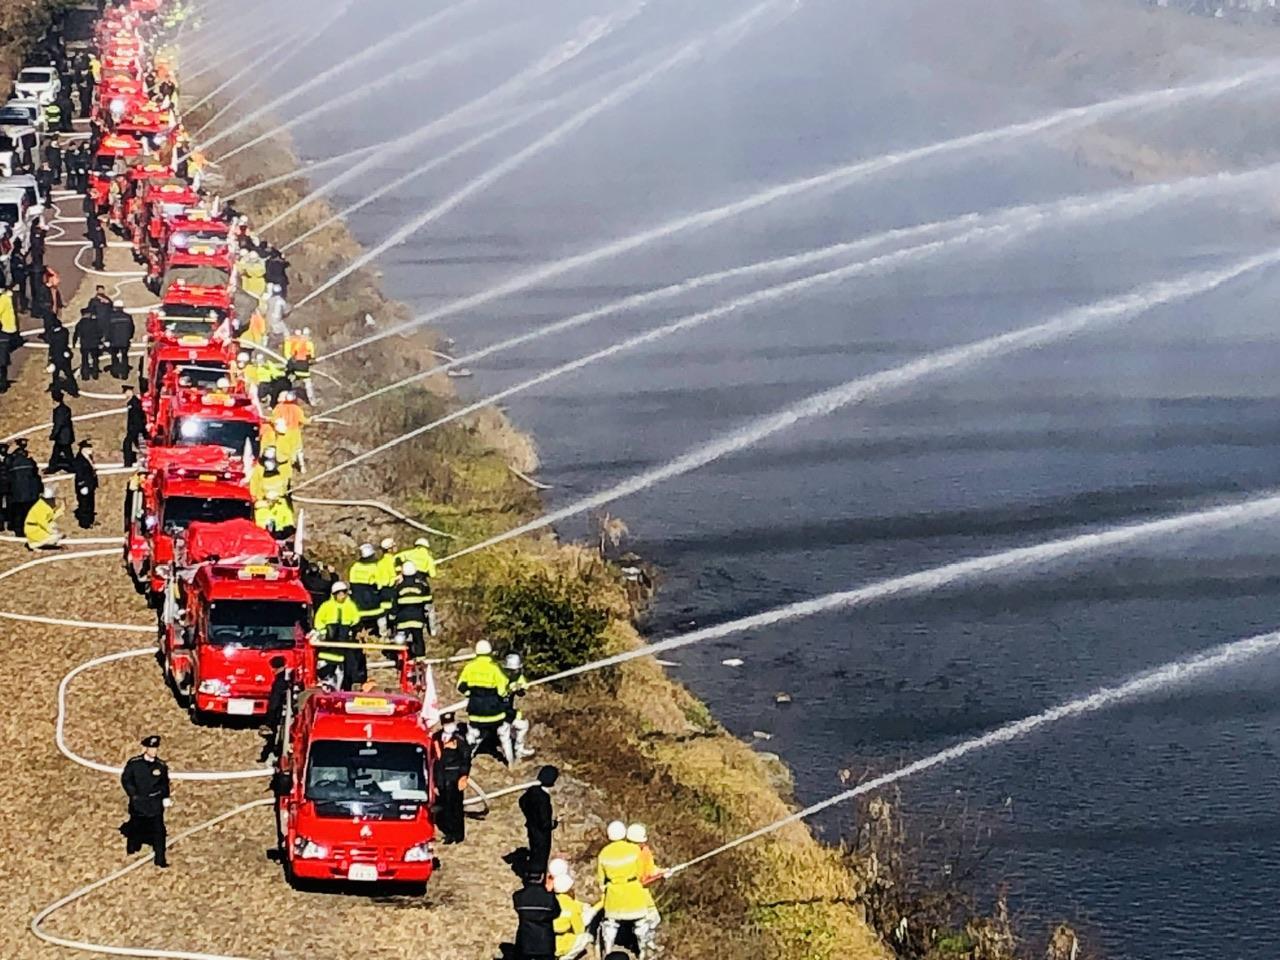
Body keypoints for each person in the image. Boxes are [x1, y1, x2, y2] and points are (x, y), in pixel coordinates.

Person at [597, 821, 662, 954]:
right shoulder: (634, 850)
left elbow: (601, 880)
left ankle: (608, 951)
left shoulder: (603, 853)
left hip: (613, 894)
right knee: (641, 924)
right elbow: (641, 874)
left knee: (610, 924)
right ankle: (643, 952)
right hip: (633, 891)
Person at [457, 640, 513, 761]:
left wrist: (471, 695)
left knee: (472, 735)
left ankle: (466, 759)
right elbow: (502, 691)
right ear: (490, 653)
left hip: (475, 712)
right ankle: (511, 762)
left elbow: (460, 686)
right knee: (504, 734)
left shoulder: (469, 667)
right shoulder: (494, 668)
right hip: (495, 712)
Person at [120, 734, 170, 867]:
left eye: (156, 749)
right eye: (151, 748)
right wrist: (133, 794)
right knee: (136, 828)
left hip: (154, 804)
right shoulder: (135, 764)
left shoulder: (161, 766)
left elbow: (164, 783)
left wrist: (165, 797)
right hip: (139, 804)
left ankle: (160, 860)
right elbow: (126, 780)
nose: (154, 751)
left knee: (159, 832)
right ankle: (132, 849)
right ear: (146, 749)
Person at [312, 581, 362, 689]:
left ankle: (347, 683)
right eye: (339, 594)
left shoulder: (350, 605)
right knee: (329, 662)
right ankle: (327, 678)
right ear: (334, 595)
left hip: (344, 637)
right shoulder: (326, 606)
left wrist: (353, 630)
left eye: (343, 593)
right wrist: (324, 631)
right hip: (330, 639)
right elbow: (318, 620)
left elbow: (356, 619)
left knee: (349, 664)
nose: (341, 596)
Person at [430, 712, 470, 844]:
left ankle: (458, 834)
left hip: (455, 778)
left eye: (450, 723)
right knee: (445, 806)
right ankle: (449, 832)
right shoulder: (436, 738)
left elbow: (465, 758)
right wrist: (435, 781)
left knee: (456, 807)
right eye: (446, 724)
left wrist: (464, 776)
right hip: (442, 777)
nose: (449, 726)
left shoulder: (458, 738)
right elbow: (435, 760)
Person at [519, 765, 559, 879]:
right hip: (541, 834)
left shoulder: (532, 791)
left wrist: (529, 816)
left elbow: (522, 802)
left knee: (534, 851)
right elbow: (544, 822)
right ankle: (535, 878)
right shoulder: (543, 799)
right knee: (540, 856)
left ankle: (532, 875)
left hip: (532, 828)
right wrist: (554, 823)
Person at [512, 872, 560, 960]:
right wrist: (550, 892)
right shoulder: (548, 898)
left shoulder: (518, 896)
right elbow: (556, 913)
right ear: (542, 878)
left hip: (525, 942)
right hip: (545, 943)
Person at [391, 560, 432, 659]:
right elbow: (428, 605)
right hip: (418, 620)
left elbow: (394, 607)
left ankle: (402, 658)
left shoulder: (398, 588)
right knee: (418, 639)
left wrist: (391, 619)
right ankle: (421, 659)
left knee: (401, 641)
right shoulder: (422, 586)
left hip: (402, 622)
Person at [552, 872, 594, 960]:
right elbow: (579, 930)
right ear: (569, 889)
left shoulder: (550, 900)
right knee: (587, 937)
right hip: (563, 943)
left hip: (547, 941)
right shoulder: (571, 906)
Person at [502, 652, 534, 760]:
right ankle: (510, 765)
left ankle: (519, 750)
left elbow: (521, 693)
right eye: (513, 671)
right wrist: (509, 689)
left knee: (523, 725)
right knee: (504, 736)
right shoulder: (499, 678)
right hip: (496, 712)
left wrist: (521, 688)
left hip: (508, 711)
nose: (515, 673)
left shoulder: (518, 677)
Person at [258, 656, 290, 763]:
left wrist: (269, 719)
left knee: (272, 737)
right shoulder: (286, 679)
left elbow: (275, 701)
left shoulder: (279, 682)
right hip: (280, 713)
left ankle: (266, 757)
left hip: (277, 714)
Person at [346, 542, 383, 635]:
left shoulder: (355, 566)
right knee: (374, 628)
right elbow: (380, 584)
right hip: (372, 603)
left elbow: (352, 583)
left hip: (358, 603)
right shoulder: (376, 566)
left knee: (360, 630)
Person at [7, 440, 40, 535]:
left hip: (17, 494)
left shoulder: (11, 464)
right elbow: (35, 476)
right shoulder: (30, 463)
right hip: (30, 494)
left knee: (18, 514)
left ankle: (19, 531)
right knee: (29, 513)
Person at [24, 485, 63, 550]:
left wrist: (59, 511)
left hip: (36, 527)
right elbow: (43, 523)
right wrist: (52, 532)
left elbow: (49, 518)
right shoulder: (41, 508)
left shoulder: (44, 505)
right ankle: (34, 544)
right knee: (55, 537)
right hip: (33, 529)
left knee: (54, 527)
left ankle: (38, 541)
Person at [73, 302, 104, 379]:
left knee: (85, 360)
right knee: (95, 360)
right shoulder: (94, 322)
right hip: (94, 344)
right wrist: (100, 341)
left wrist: (74, 343)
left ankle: (85, 375)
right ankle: (95, 374)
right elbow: (100, 332)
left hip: (84, 345)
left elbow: (76, 334)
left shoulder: (80, 324)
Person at [48, 391, 75, 473]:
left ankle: (52, 468)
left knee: (59, 453)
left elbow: (58, 424)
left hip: (61, 436)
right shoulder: (66, 408)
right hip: (67, 435)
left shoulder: (58, 411)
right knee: (64, 453)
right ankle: (53, 467)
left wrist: (53, 435)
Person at [72, 440, 97, 528]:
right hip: (84, 486)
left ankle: (90, 520)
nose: (91, 450)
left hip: (90, 484)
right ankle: (85, 523)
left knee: (90, 503)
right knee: (84, 504)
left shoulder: (88, 457)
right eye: (89, 448)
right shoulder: (79, 459)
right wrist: (82, 485)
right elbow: (79, 474)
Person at [107, 300, 134, 378]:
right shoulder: (128, 317)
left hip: (114, 341)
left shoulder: (110, 317)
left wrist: (108, 339)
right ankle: (125, 374)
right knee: (124, 356)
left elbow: (108, 329)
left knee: (114, 356)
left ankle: (115, 373)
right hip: (125, 341)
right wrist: (130, 337)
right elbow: (131, 328)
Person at [122, 384, 146, 466]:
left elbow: (136, 417)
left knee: (127, 443)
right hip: (134, 427)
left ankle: (129, 462)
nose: (125, 395)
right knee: (132, 444)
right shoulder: (132, 401)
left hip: (135, 427)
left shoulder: (134, 402)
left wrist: (135, 428)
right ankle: (132, 460)